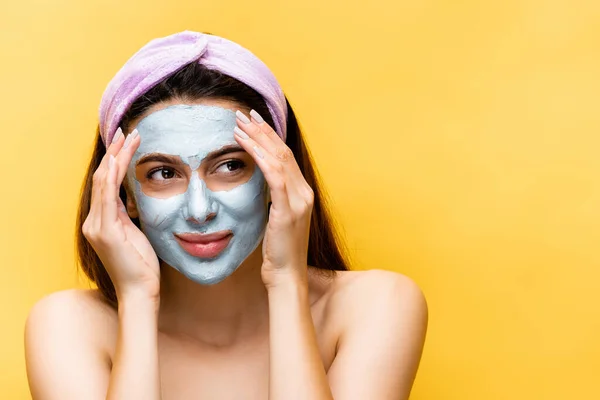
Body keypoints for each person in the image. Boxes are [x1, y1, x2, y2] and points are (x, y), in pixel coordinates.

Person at [24, 31, 428, 400]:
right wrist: (136, 301)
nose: (200, 210)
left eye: (230, 166)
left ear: (277, 176)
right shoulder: (67, 327)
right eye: (163, 173)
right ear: (123, 194)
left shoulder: (376, 306)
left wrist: (286, 280)